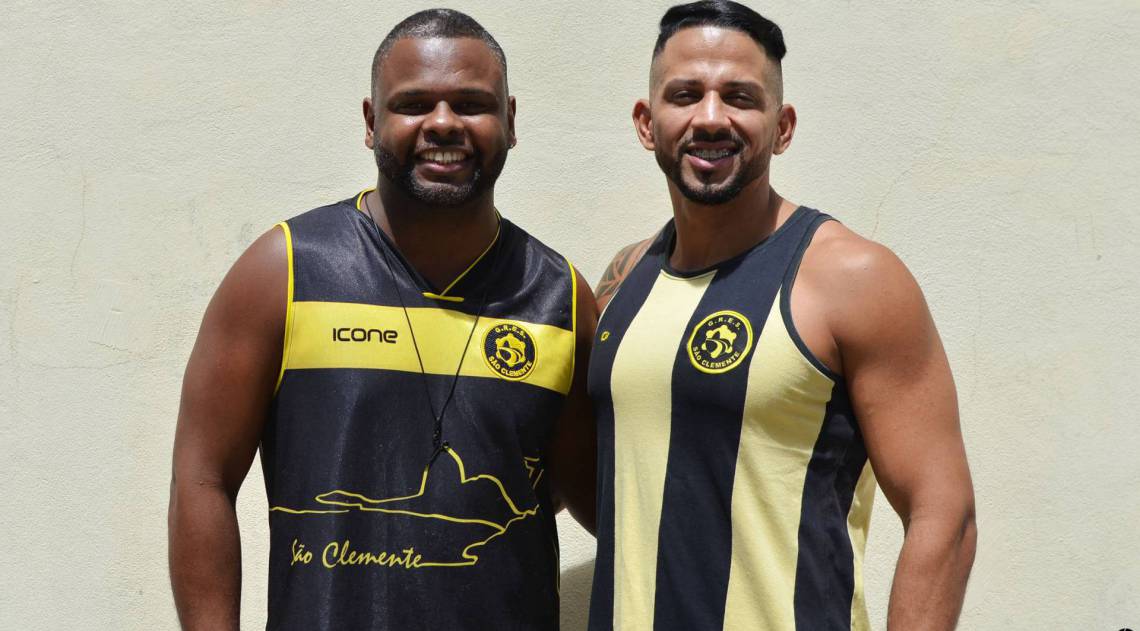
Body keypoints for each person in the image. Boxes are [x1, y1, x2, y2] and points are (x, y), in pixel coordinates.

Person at [168, 9, 596, 630]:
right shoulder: (284, 272)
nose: (443, 123)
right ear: (371, 123)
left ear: (509, 121)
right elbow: (202, 479)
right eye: (414, 104)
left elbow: (597, 498)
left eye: (471, 104)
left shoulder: (561, 297)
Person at [587, 2, 976, 629]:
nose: (710, 117)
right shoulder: (622, 281)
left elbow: (944, 514)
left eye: (739, 97)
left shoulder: (853, 277)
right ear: (646, 122)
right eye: (685, 94)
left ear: (783, 127)